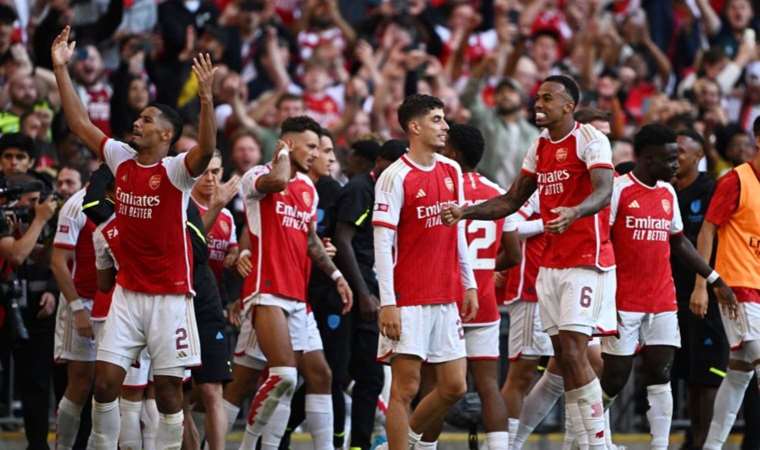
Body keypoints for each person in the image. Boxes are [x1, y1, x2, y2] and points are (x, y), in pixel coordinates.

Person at [52, 24, 218, 447]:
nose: (138, 122)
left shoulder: (176, 171)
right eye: (139, 117)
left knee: (166, 393)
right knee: (104, 384)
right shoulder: (121, 158)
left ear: (166, 134)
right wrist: (60, 69)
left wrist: (205, 99)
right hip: (128, 292)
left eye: (147, 120)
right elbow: (78, 121)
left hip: (170, 296)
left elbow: (206, 149)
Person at [443, 75, 616, 449]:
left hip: (587, 260)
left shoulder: (590, 139)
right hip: (550, 265)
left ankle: (596, 444)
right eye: (537, 97)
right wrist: (465, 212)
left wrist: (575, 211)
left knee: (574, 351)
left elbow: (604, 191)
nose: (538, 104)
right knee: (565, 359)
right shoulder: (538, 147)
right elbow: (511, 201)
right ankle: (582, 443)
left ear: (569, 106)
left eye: (548, 98)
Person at [600, 124, 737, 450]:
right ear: (649, 158)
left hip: (661, 300)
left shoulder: (666, 193)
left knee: (660, 375)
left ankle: (658, 446)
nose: (676, 165)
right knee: (616, 377)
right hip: (624, 301)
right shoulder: (618, 191)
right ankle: (588, 433)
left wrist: (714, 278)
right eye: (670, 158)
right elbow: (600, 241)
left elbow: (679, 243)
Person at [234, 115, 351, 450]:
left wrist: (336, 275)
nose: (316, 153)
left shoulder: (308, 190)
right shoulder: (258, 175)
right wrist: (283, 155)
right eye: (311, 146)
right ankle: (249, 446)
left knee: (321, 375)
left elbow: (311, 239)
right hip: (266, 290)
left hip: (298, 297)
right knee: (284, 375)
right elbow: (277, 182)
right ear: (288, 142)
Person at [373, 94, 477, 450]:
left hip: (446, 294)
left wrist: (469, 282)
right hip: (409, 297)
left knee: (454, 386)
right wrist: (388, 303)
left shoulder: (451, 171)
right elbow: (382, 245)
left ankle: (400, 444)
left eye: (444, 119)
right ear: (414, 127)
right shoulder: (394, 177)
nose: (445, 126)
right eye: (436, 119)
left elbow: (458, 230)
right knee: (405, 388)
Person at [416, 123, 510, 450]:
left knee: (434, 387)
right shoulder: (498, 192)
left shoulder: (442, 188)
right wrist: (487, 270)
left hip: (444, 300)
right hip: (483, 301)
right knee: (488, 386)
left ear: (453, 153)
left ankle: (425, 448)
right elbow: (513, 253)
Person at [331, 139, 405, 450]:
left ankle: (359, 443)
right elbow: (343, 239)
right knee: (344, 374)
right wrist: (363, 292)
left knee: (369, 376)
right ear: (380, 162)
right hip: (356, 292)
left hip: (372, 288)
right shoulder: (362, 188)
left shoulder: (386, 190)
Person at [696, 114, 760, 450]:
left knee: (739, 372)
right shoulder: (735, 180)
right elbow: (707, 229)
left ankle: (713, 446)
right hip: (737, 286)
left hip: (758, 289)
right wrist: (701, 283)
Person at [670, 129, 728, 450]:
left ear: (697, 156)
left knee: (707, 378)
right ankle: (692, 439)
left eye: (679, 152)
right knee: (685, 377)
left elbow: (712, 241)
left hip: (703, 296)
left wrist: (701, 286)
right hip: (670, 296)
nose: (673, 157)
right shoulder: (663, 187)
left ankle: (704, 443)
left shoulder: (712, 189)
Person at [50, 185, 99, 450]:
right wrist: (78, 309)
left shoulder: (132, 196)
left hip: (120, 302)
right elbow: (58, 262)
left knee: (117, 383)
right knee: (81, 380)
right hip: (83, 300)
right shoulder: (77, 203)